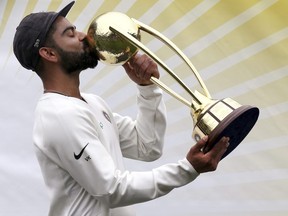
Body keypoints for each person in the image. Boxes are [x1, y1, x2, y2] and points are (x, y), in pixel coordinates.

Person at [13, 1, 229, 216]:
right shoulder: (59, 115)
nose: (82, 35)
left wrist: (147, 89)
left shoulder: (91, 103)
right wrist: (187, 169)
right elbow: (111, 189)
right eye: (70, 34)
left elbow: (147, 146)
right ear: (49, 54)